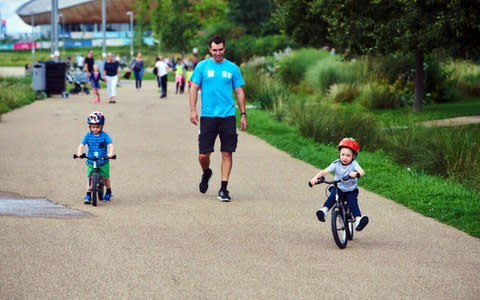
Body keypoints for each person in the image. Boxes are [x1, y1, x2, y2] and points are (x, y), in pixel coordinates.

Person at [189, 35, 247, 202]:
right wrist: (193, 110)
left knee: (227, 153)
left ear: (224, 48)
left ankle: (223, 188)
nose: (218, 53)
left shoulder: (233, 69)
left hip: (228, 116)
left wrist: (243, 114)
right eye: (215, 50)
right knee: (203, 155)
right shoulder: (202, 67)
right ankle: (206, 172)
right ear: (210, 50)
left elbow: (239, 92)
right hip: (208, 116)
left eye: (220, 49)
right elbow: (193, 88)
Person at [309, 137, 369, 231]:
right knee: (333, 195)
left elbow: (362, 171)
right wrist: (315, 178)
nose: (345, 157)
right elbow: (324, 171)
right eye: (343, 154)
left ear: (353, 156)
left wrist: (356, 174)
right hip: (339, 188)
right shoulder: (336, 163)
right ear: (339, 154)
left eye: (348, 155)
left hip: (351, 190)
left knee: (353, 203)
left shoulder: (354, 164)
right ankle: (324, 211)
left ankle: (358, 220)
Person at [77, 112, 115, 204]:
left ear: (102, 126)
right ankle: (88, 194)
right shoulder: (88, 135)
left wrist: (110, 153)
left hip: (103, 160)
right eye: (93, 127)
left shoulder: (105, 135)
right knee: (90, 178)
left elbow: (110, 144)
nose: (95, 129)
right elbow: (82, 144)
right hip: (91, 160)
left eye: (97, 127)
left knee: (106, 177)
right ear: (90, 127)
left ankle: (109, 191)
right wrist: (79, 153)